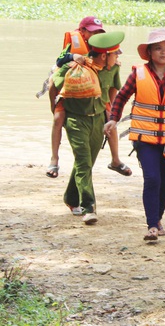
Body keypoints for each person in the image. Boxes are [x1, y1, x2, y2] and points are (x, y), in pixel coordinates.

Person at [105, 29, 165, 240]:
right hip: (145, 137)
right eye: (158, 48)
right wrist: (113, 119)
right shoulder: (138, 73)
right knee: (152, 178)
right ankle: (152, 225)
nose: (163, 52)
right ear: (149, 52)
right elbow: (121, 97)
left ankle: (157, 219)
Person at [52, 31, 125, 225]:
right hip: (76, 120)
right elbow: (55, 83)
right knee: (84, 162)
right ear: (103, 55)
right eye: (115, 53)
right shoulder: (76, 66)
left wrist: (112, 118)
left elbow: (113, 94)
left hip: (98, 120)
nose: (118, 56)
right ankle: (88, 207)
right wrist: (56, 109)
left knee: (86, 163)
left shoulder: (112, 69)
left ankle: (70, 197)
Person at [46, 16, 131, 179]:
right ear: (82, 31)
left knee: (111, 119)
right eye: (93, 31)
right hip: (71, 90)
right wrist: (72, 57)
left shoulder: (105, 49)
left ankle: (115, 160)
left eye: (99, 31)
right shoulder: (73, 45)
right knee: (58, 118)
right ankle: (54, 159)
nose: (96, 34)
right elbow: (59, 61)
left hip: (96, 94)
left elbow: (113, 87)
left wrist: (111, 108)